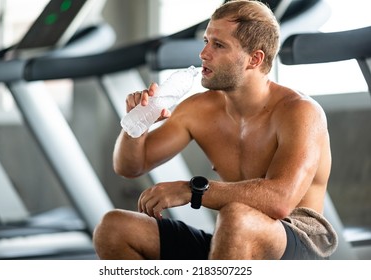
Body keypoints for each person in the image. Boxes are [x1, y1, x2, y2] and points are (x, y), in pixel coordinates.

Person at [93, 0, 338, 260]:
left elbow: (280, 201)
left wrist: (191, 190)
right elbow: (130, 166)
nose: (203, 54)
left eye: (218, 45)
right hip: (233, 236)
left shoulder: (300, 112)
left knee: (236, 216)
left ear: (254, 59)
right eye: (205, 42)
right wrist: (137, 123)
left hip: (296, 243)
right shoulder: (199, 109)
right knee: (113, 228)